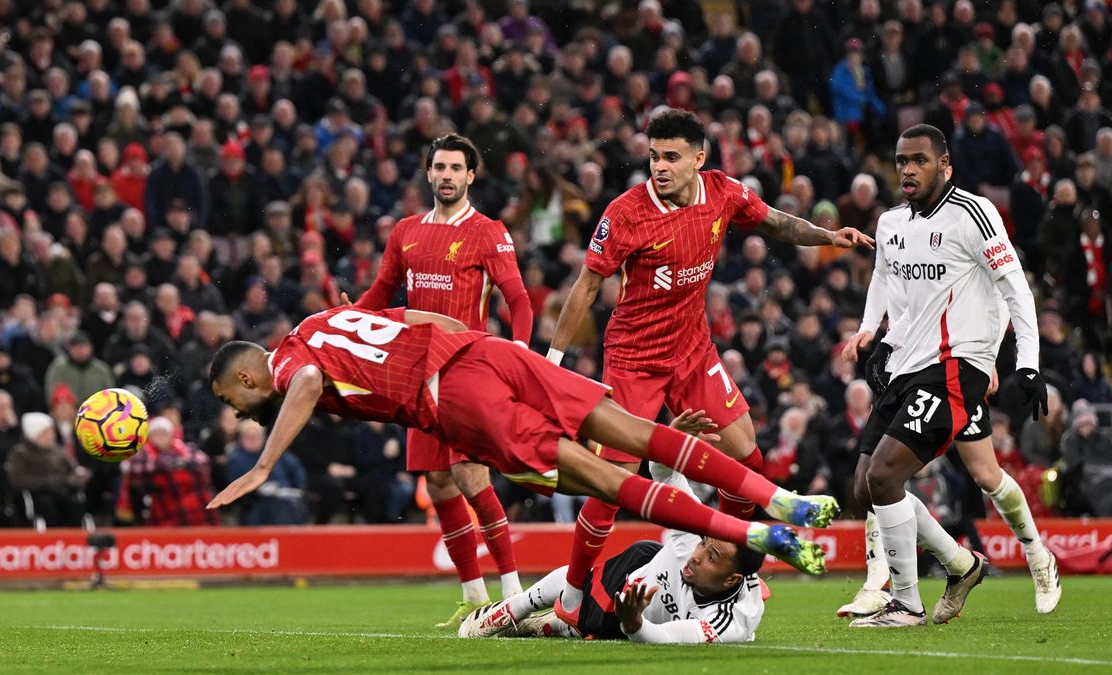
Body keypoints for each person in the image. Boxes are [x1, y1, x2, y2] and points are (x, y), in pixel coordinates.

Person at [206, 306, 840, 585]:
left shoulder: (291, 367)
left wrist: (264, 465)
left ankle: (756, 536)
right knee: (642, 435)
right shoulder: (318, 323)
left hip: (453, 398)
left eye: (237, 403)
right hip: (488, 353)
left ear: (246, 377)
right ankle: (780, 502)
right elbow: (437, 323)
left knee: (602, 480)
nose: (243, 412)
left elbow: (310, 382)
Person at [546, 108, 871, 623]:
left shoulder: (722, 191)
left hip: (693, 349)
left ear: (699, 158)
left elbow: (775, 222)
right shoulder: (626, 213)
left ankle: (735, 562)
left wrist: (828, 237)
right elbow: (587, 285)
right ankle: (569, 594)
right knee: (612, 481)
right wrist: (554, 362)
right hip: (634, 359)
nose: (660, 167)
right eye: (653, 156)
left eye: (671, 157)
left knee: (747, 456)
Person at [844, 125, 1048, 628]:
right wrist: (873, 332)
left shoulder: (974, 215)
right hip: (907, 363)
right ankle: (962, 565)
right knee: (865, 489)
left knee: (900, 474)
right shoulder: (891, 223)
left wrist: (1027, 363)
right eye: (900, 161)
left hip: (959, 365)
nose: (908, 170)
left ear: (945, 165)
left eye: (918, 160)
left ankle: (906, 603)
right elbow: (884, 278)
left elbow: (1016, 290)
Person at [350, 134, 533, 626]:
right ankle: (475, 601)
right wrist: (342, 319)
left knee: (472, 476)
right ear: (428, 174)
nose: (447, 175)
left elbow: (518, 300)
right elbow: (379, 293)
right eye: (440, 168)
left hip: (468, 372)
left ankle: (514, 595)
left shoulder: (488, 232)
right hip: (417, 373)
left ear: (471, 176)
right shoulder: (405, 231)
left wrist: (518, 354)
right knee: (438, 483)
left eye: (456, 168)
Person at [458, 463, 764, 644]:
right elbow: (666, 477)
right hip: (638, 573)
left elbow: (667, 639)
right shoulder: (690, 541)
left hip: (636, 612)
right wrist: (675, 442)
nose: (698, 555)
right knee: (582, 607)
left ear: (731, 580)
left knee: (591, 626)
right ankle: (515, 609)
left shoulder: (731, 621)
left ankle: (552, 624)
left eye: (712, 557)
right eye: (703, 545)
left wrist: (634, 623)